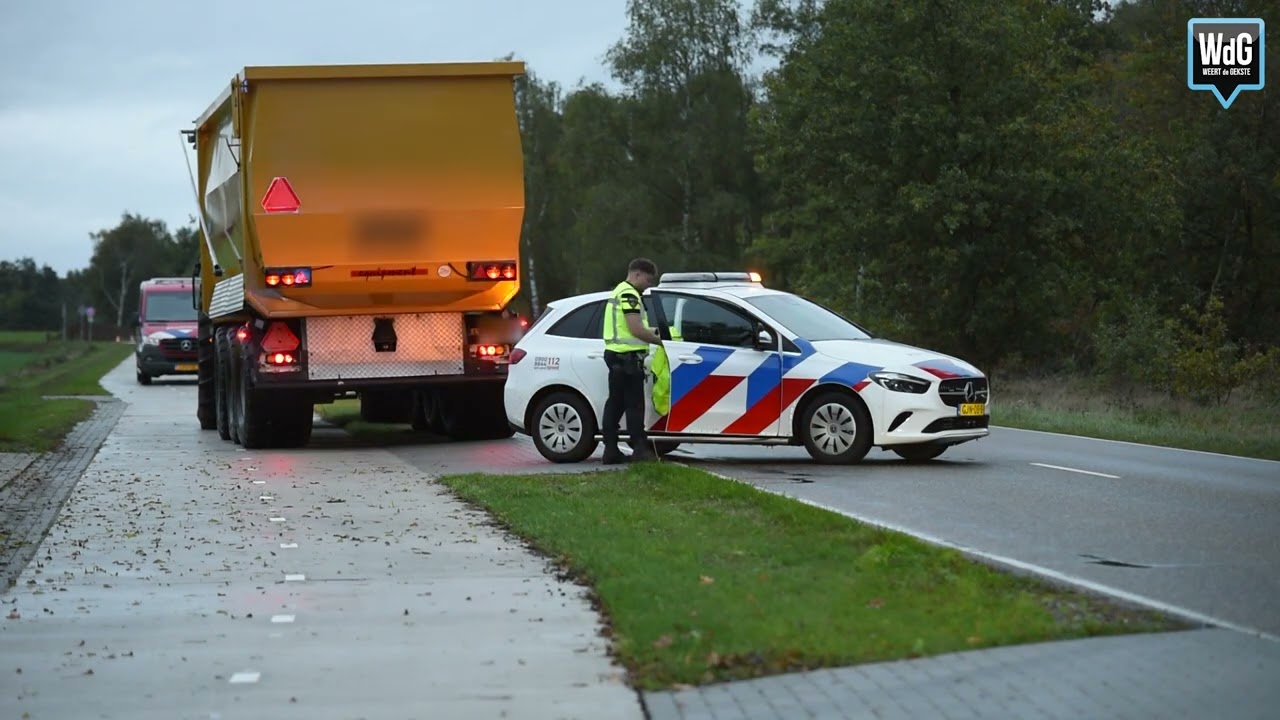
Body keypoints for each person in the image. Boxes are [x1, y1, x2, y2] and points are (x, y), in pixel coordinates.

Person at [601, 258, 663, 464]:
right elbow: (636, 329)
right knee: (634, 406)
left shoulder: (618, 291)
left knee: (615, 404)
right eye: (648, 280)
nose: (649, 285)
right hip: (627, 358)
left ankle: (610, 450)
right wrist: (660, 341)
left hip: (617, 356)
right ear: (636, 274)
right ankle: (640, 449)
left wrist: (654, 331)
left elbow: (634, 327)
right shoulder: (629, 295)